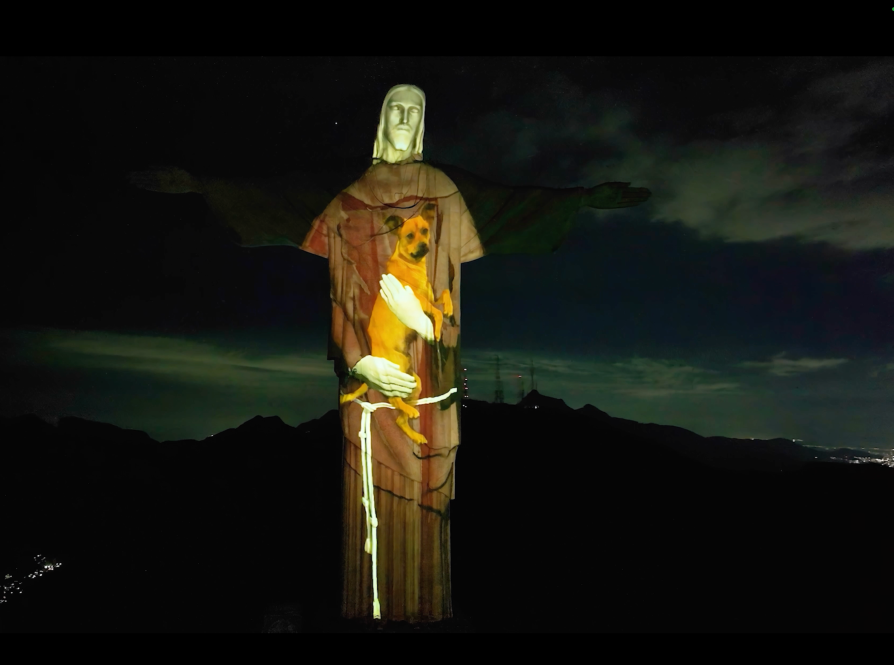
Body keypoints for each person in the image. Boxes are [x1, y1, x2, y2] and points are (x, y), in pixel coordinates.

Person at [130, 83, 650, 624]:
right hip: (370, 374)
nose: (403, 117)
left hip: (431, 371)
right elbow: (277, 198)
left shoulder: (444, 190)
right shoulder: (347, 194)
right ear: (381, 120)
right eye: (395, 108)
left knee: (430, 491)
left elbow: (513, 201)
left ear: (423, 123)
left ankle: (427, 608)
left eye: (414, 110)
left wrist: (582, 198)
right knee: (370, 494)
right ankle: (370, 612)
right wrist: (202, 186)